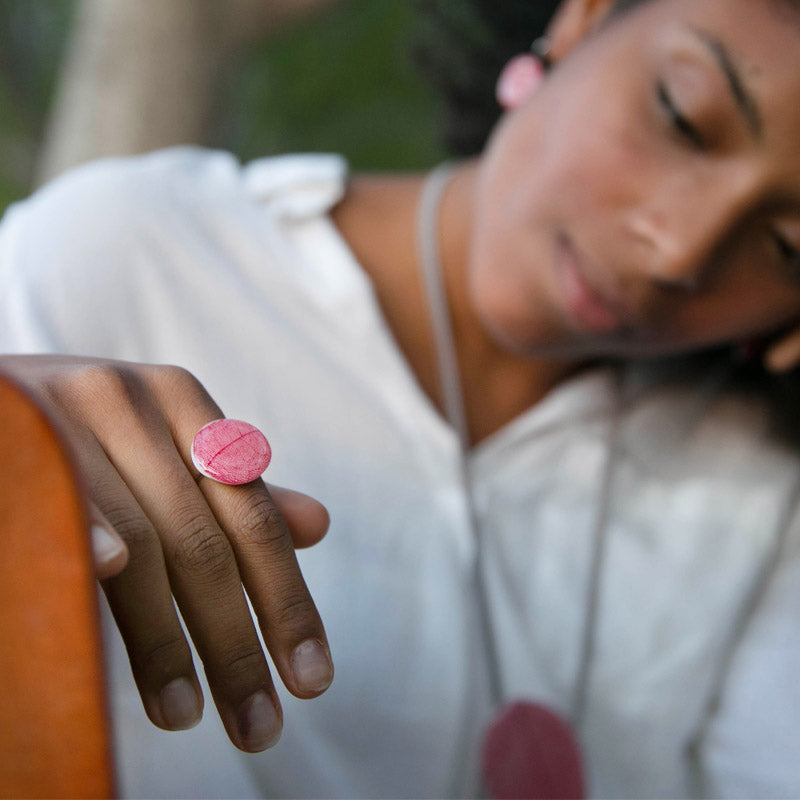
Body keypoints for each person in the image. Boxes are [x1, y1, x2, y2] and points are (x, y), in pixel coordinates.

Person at [1, 0, 800, 796]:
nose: (680, 247)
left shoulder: (762, 498)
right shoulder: (132, 257)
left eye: (787, 249)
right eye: (683, 119)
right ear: (583, 19)